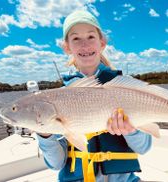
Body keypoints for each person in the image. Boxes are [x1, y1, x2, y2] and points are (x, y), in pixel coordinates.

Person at [37, 10, 152, 182]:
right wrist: (44, 135)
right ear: (67, 47)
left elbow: (144, 147)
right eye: (76, 38)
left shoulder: (125, 89)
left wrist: (131, 131)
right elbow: (56, 164)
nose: (85, 45)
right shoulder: (55, 100)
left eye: (91, 37)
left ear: (102, 42)